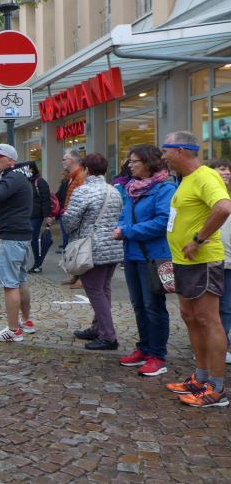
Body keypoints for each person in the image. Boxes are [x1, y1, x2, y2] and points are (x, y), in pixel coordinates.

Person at [163, 131, 231, 407]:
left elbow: (223, 208)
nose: (164, 156)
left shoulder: (205, 176)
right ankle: (200, 378)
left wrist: (198, 239)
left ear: (180, 150)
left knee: (207, 320)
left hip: (202, 260)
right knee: (190, 317)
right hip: (185, 261)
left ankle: (216, 388)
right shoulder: (186, 179)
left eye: (166, 150)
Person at [111, 145, 175, 375]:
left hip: (153, 256)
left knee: (153, 306)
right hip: (132, 255)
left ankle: (157, 355)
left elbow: (162, 222)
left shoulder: (164, 189)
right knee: (139, 305)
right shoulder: (132, 188)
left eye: (134, 161)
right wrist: (121, 226)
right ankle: (144, 348)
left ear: (148, 162)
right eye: (129, 161)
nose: (130, 165)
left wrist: (127, 231)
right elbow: (125, 215)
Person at [63, 153, 123, 351]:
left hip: (92, 247)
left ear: (86, 169)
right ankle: (98, 328)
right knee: (104, 288)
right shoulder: (113, 190)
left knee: (95, 291)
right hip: (113, 246)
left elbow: (70, 221)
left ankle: (108, 335)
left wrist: (68, 223)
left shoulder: (83, 191)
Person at [0, 144, 36, 342]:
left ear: (11, 161)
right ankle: (26, 322)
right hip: (19, 235)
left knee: (10, 284)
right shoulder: (17, 178)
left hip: (10, 237)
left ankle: (13, 330)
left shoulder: (13, 177)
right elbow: (14, 205)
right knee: (20, 281)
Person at [209, 157, 231, 365]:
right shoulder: (207, 194)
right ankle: (209, 348)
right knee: (210, 308)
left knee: (226, 307)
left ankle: (221, 345)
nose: (227, 172)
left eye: (228, 169)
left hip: (229, 260)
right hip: (212, 259)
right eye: (221, 169)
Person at [62, 151, 86, 287]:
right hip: (71, 215)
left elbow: (83, 197)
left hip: (77, 217)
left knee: (79, 247)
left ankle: (82, 278)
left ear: (72, 160)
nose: (63, 162)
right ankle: (76, 275)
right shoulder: (73, 176)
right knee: (72, 246)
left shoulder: (80, 176)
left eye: (64, 159)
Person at [28, 162, 53, 272]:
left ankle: (38, 264)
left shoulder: (40, 182)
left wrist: (48, 216)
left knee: (34, 239)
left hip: (36, 215)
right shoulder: (28, 181)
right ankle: (37, 263)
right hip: (29, 215)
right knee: (32, 240)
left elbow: (46, 200)